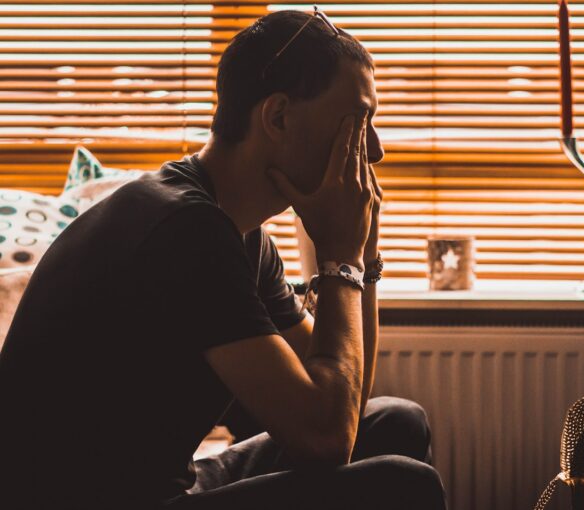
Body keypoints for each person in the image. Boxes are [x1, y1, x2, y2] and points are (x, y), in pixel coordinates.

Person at [0, 9, 447, 510]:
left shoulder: (239, 233)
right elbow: (325, 437)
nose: (376, 151)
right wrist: (340, 259)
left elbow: (342, 399)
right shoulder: (184, 229)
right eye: (359, 121)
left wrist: (361, 256)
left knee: (397, 420)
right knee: (406, 483)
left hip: (167, 486)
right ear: (277, 117)